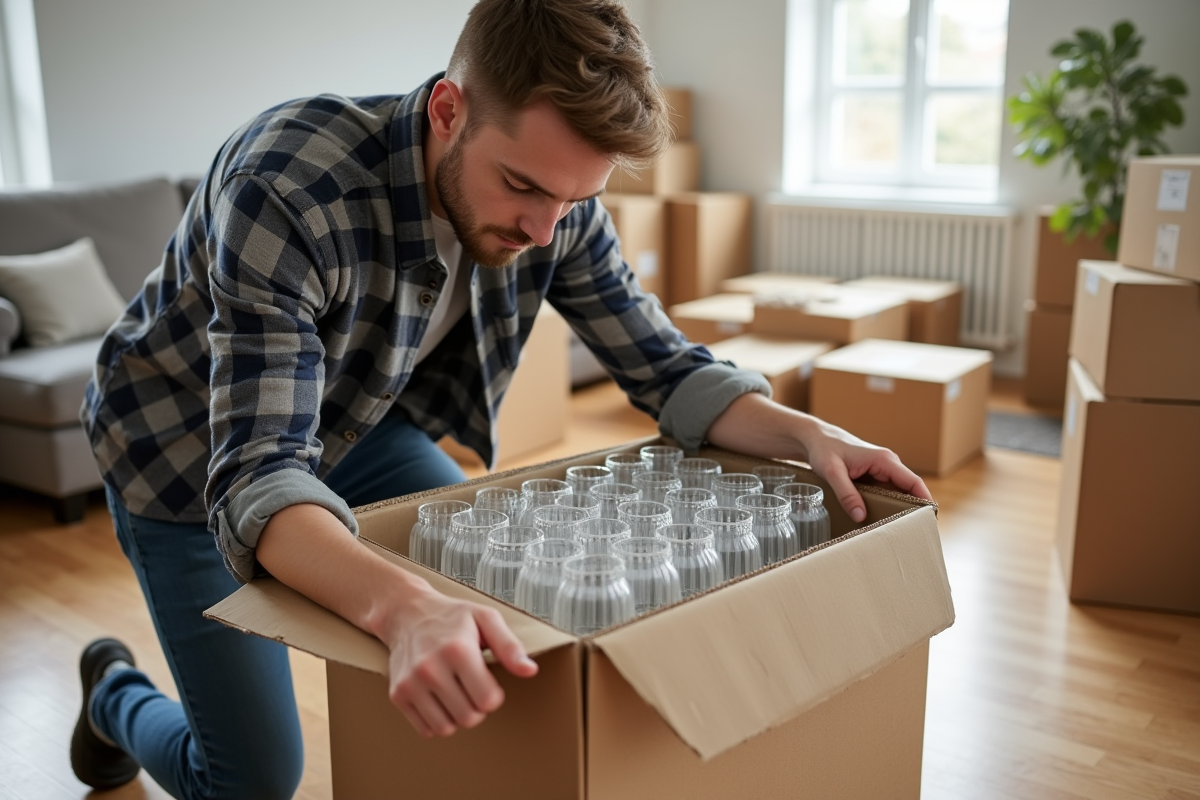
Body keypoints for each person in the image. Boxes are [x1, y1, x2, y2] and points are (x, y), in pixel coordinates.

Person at [72, 0, 931, 796]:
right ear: (448, 110)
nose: (543, 231)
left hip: (357, 425)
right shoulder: (288, 184)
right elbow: (259, 474)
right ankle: (114, 694)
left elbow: (663, 368)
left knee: (495, 581)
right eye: (523, 186)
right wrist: (402, 610)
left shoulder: (556, 202)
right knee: (254, 780)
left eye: (574, 200)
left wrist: (806, 434)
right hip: (184, 451)